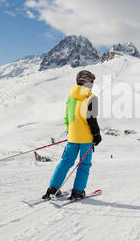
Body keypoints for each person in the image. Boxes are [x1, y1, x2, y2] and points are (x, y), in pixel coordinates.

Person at [41, 70, 102, 200]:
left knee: (65, 162)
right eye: (92, 82)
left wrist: (71, 131)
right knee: (84, 164)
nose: (92, 84)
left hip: (73, 137)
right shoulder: (92, 98)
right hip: (86, 138)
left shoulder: (71, 97)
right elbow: (92, 119)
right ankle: (78, 191)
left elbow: (67, 118)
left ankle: (52, 189)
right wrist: (96, 134)